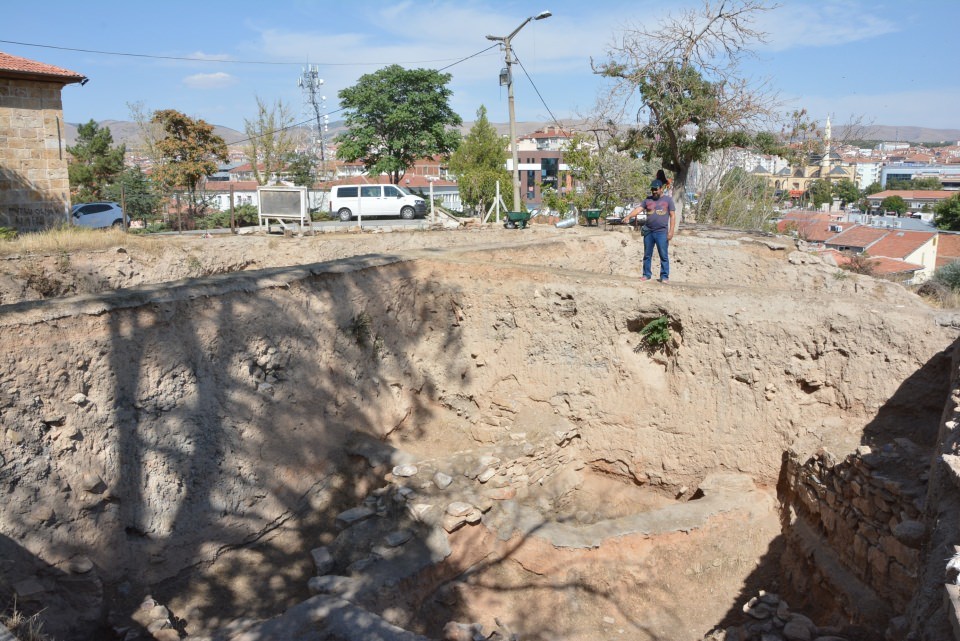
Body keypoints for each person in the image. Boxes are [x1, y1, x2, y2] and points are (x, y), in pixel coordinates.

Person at [640, 179, 676, 283]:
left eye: (655, 189)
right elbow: (639, 209)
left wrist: (671, 231)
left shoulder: (668, 200)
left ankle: (664, 276)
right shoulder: (647, 200)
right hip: (649, 232)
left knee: (663, 255)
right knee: (647, 255)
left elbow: (673, 216)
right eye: (652, 189)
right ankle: (646, 274)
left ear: (661, 189)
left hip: (662, 232)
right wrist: (629, 216)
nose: (654, 191)